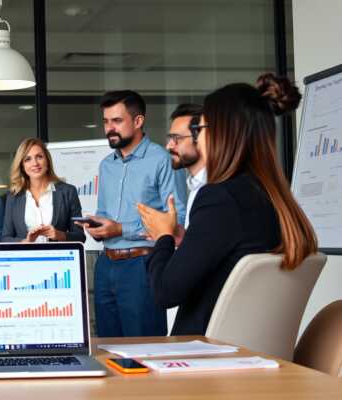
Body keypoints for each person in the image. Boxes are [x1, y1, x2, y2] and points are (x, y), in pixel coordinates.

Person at [137, 73, 318, 335]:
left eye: (200, 129)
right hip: (257, 358)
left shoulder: (219, 199)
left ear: (223, 133)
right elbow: (229, 255)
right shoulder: (274, 199)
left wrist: (163, 236)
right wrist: (186, 238)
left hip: (205, 357)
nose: (197, 139)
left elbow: (164, 292)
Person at [76, 90, 187, 337]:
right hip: (106, 264)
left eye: (117, 121)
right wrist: (98, 227)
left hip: (142, 265)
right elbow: (105, 212)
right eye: (106, 121)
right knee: (107, 348)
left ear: (138, 121)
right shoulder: (107, 165)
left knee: (144, 348)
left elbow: (175, 218)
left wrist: (121, 229)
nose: (109, 128)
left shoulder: (162, 160)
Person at [2, 138, 85, 243]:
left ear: (47, 160)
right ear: (22, 165)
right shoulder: (13, 196)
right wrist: (25, 242)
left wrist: (59, 235)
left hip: (59, 258)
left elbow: (80, 237)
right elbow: (5, 238)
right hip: (26, 258)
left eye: (39, 157)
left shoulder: (68, 192)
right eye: (28, 159)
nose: (35, 163)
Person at [164, 103, 206, 242]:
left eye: (177, 138)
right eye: (170, 138)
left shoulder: (215, 190)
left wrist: (162, 238)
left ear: (201, 138)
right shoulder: (195, 184)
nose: (169, 146)